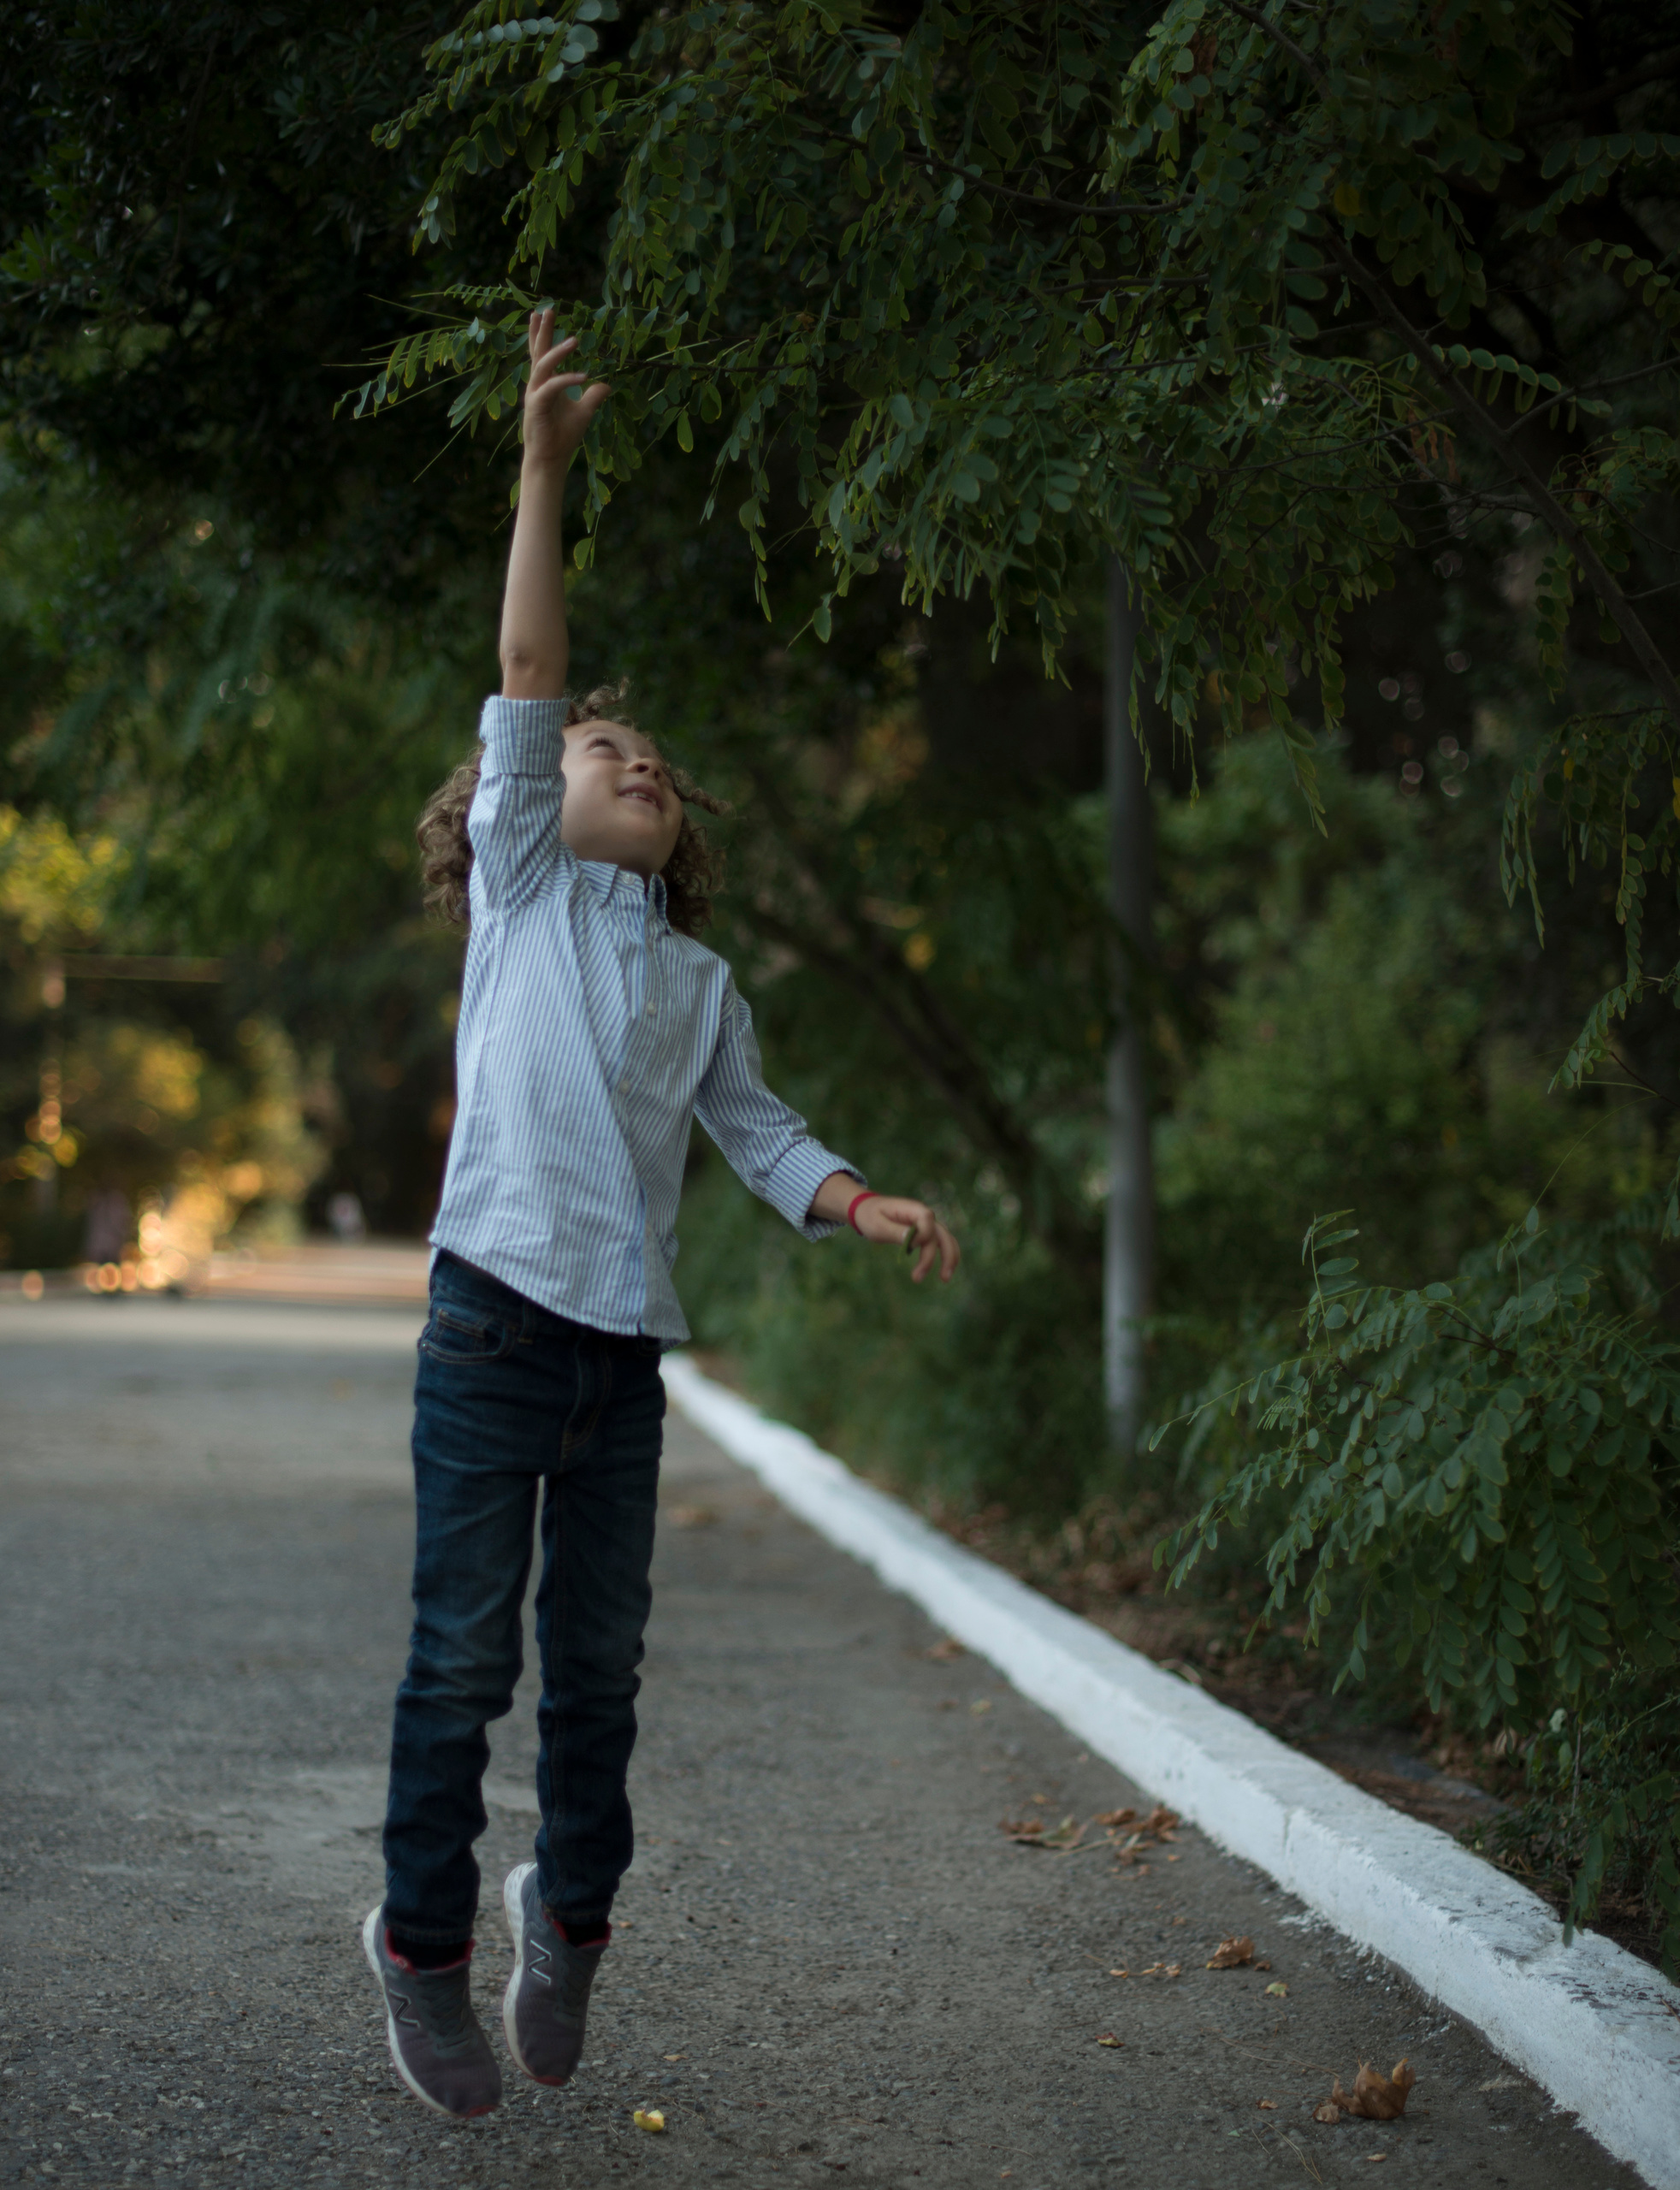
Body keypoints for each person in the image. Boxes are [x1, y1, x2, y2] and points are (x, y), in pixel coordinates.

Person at [362, 308, 961, 2120]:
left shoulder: (697, 984)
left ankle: (575, 1917)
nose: (627, 757)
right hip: (486, 1325)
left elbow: (763, 1133)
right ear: (514, 810)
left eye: (643, 755)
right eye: (591, 745)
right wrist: (542, 470)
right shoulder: (523, 891)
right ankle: (422, 1939)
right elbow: (532, 664)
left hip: (618, 1365)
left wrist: (856, 1201)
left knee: (599, 1680)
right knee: (464, 1658)